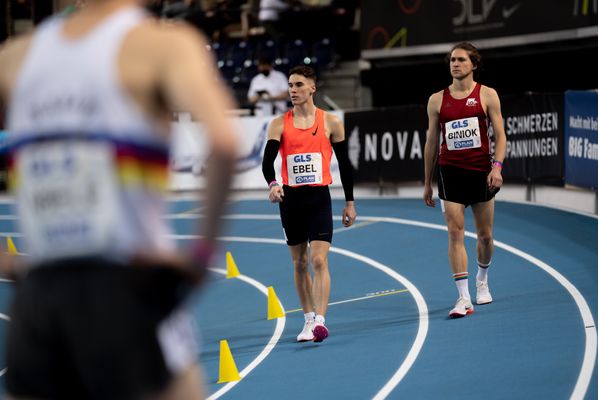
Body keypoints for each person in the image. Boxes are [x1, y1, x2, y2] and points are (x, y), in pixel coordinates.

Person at [0, 0, 238, 398]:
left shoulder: (14, 57)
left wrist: (9, 263)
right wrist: (200, 257)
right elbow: (225, 142)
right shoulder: (163, 45)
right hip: (128, 285)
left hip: (38, 302)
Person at [261, 65, 356, 342]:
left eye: (299, 85)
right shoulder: (279, 123)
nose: (293, 90)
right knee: (300, 263)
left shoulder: (330, 123)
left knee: (318, 259)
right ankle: (307, 319)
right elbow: (268, 162)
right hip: (290, 200)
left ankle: (321, 321)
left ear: (313, 88)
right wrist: (273, 184)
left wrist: (350, 202)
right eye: (291, 85)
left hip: (318, 198)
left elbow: (346, 166)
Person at [423, 42, 506, 318]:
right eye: (452, 60)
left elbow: (501, 135)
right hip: (450, 173)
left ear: (473, 64)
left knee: (485, 235)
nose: (455, 64)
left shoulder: (487, 95)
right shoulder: (437, 99)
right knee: (455, 233)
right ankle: (463, 297)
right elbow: (431, 142)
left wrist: (497, 167)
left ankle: (482, 278)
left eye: (460, 60)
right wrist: (426, 182)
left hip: (481, 173)